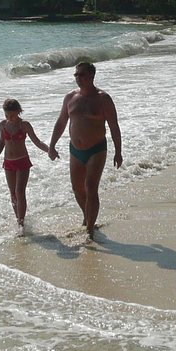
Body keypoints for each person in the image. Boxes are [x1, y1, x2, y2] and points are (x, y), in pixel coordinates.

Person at [48, 61, 122, 237]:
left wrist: (118, 151)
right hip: (75, 149)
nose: (78, 78)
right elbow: (61, 122)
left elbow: (114, 126)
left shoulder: (103, 98)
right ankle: (88, 216)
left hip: (97, 148)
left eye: (82, 74)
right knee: (77, 189)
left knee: (90, 187)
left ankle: (89, 230)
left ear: (91, 76)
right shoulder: (70, 97)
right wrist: (52, 145)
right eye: (76, 75)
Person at [0, 98, 49, 228]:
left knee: (19, 191)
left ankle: (21, 222)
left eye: (12, 115)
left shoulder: (24, 125)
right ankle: (18, 220)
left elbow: (37, 141)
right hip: (8, 162)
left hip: (22, 161)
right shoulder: (3, 125)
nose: (9, 118)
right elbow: (2, 142)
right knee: (12, 193)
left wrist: (49, 150)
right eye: (7, 115)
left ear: (18, 111)